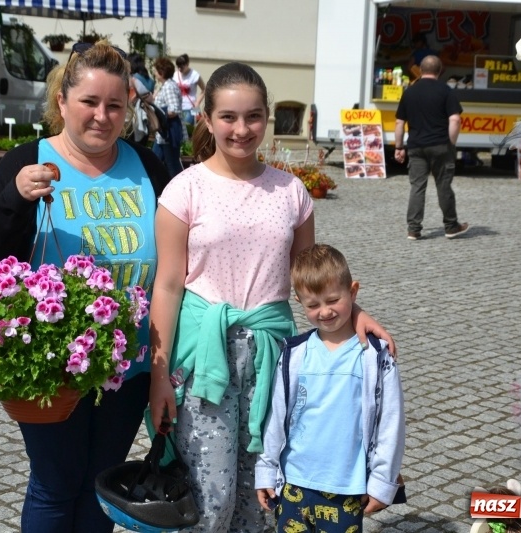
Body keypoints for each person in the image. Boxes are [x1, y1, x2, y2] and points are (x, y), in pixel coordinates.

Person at [148, 61, 396, 532]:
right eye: (228, 117)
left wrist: (356, 313)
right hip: (203, 356)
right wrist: (158, 376)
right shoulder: (185, 190)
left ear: (267, 117)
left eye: (254, 116)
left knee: (262, 490)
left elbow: (310, 277)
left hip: (273, 355)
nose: (242, 129)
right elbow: (168, 285)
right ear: (207, 119)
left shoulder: (291, 192)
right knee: (209, 494)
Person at [0, 41, 171, 533]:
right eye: (89, 102)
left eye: (115, 105)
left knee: (101, 484)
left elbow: (182, 254)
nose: (102, 116)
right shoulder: (28, 161)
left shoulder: (148, 166)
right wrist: (16, 198)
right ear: (62, 101)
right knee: (55, 483)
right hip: (51, 361)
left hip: (129, 364)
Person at [255, 244, 405, 532]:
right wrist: (266, 469)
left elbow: (391, 422)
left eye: (333, 300)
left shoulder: (375, 356)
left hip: (347, 487)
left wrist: (382, 481)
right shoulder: (293, 354)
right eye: (312, 305)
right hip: (294, 483)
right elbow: (276, 417)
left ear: (353, 291)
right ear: (299, 301)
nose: (324, 311)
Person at [394, 55, 469, 241]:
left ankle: (413, 229)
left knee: (417, 187)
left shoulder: (409, 92)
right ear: (440, 70)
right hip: (440, 145)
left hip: (416, 147)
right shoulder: (446, 91)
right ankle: (451, 226)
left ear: (420, 70)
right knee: (443, 186)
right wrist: (451, 143)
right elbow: (455, 120)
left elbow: (399, 122)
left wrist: (399, 146)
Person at [151, 57, 184, 177]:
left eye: (156, 71)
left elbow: (174, 109)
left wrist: (160, 113)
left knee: (172, 166)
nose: (154, 73)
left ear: (162, 72)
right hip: (164, 133)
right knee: (154, 162)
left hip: (169, 132)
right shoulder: (166, 85)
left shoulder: (169, 87)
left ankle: (179, 186)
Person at [127, 52, 155, 146]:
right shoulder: (149, 79)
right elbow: (151, 98)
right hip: (147, 114)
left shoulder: (133, 79)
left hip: (136, 117)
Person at [173, 53, 206, 126]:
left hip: (190, 106)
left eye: (182, 67)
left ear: (187, 64)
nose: (180, 69)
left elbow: (204, 89)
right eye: (178, 67)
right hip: (177, 107)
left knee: (188, 127)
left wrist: (197, 102)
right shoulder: (175, 75)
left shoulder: (194, 75)